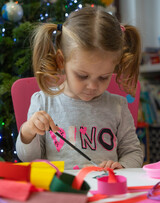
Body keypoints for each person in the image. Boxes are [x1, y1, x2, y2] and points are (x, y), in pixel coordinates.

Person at [16, 6, 143, 170]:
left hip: (105, 192)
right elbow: (28, 158)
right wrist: (28, 131)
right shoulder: (43, 102)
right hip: (61, 190)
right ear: (61, 61)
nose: (92, 86)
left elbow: (133, 152)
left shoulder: (118, 106)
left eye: (103, 77)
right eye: (82, 76)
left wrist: (122, 167)